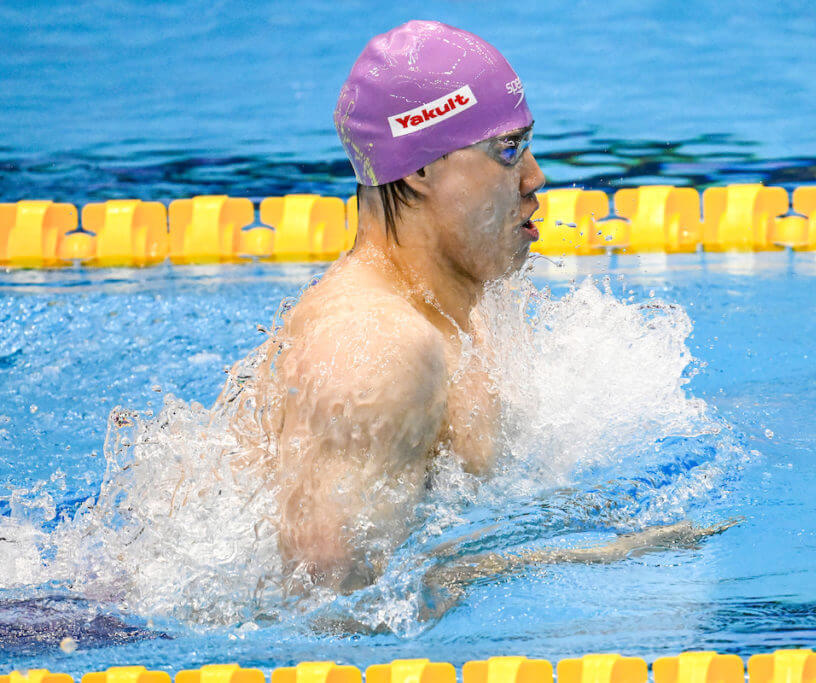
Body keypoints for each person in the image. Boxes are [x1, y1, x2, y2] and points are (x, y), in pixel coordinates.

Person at [222, 20, 734, 603]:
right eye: (507, 150)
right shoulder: (378, 351)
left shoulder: (463, 301)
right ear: (419, 171)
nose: (536, 178)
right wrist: (598, 554)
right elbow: (327, 608)